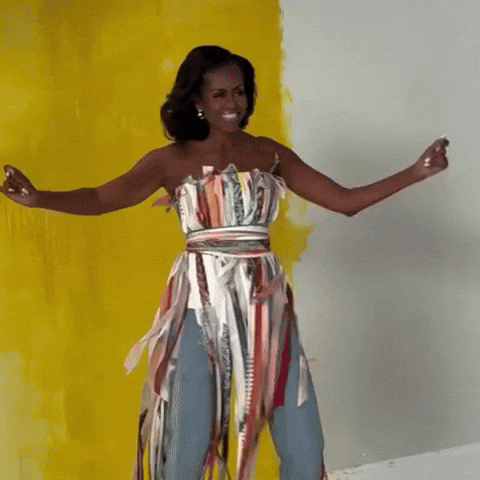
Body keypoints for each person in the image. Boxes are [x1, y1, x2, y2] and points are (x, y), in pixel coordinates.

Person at [1, 45, 449, 480]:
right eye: (219, 94)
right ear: (197, 100)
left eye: (239, 92)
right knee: (187, 442)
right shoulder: (171, 160)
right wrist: (39, 198)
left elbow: (344, 201)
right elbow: (102, 198)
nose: (233, 103)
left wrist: (416, 172)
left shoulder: (268, 154)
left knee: (303, 441)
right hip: (199, 304)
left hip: (266, 306)